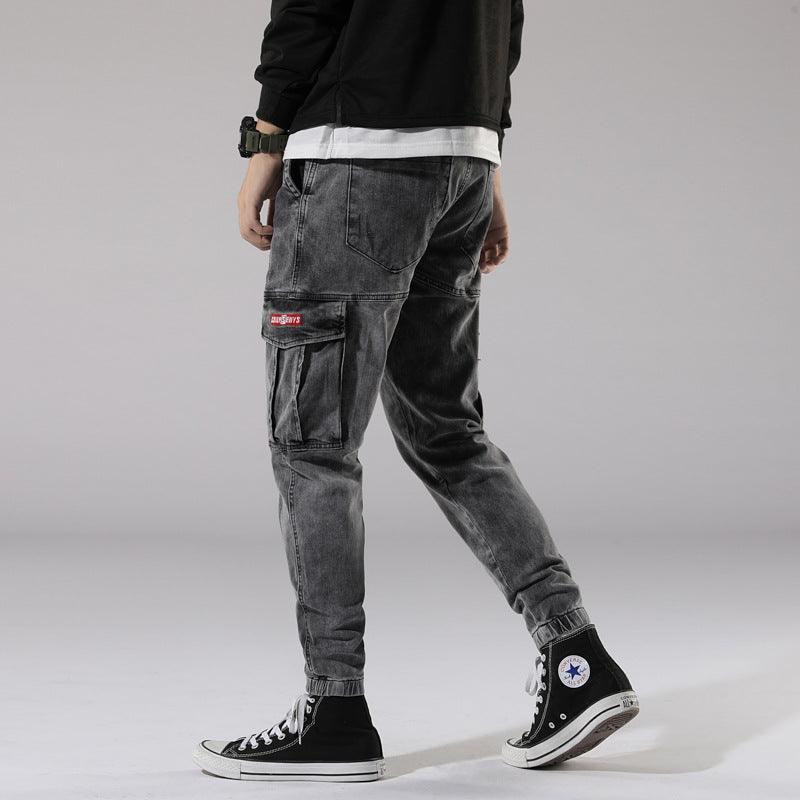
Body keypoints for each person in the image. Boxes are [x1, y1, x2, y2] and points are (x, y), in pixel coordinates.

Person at [192, 0, 638, 782]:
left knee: (314, 445)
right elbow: (506, 20)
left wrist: (264, 143)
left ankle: (333, 713)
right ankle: (577, 658)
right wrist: (484, 160)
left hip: (356, 158)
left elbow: (308, 9)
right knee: (447, 431)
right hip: (462, 162)